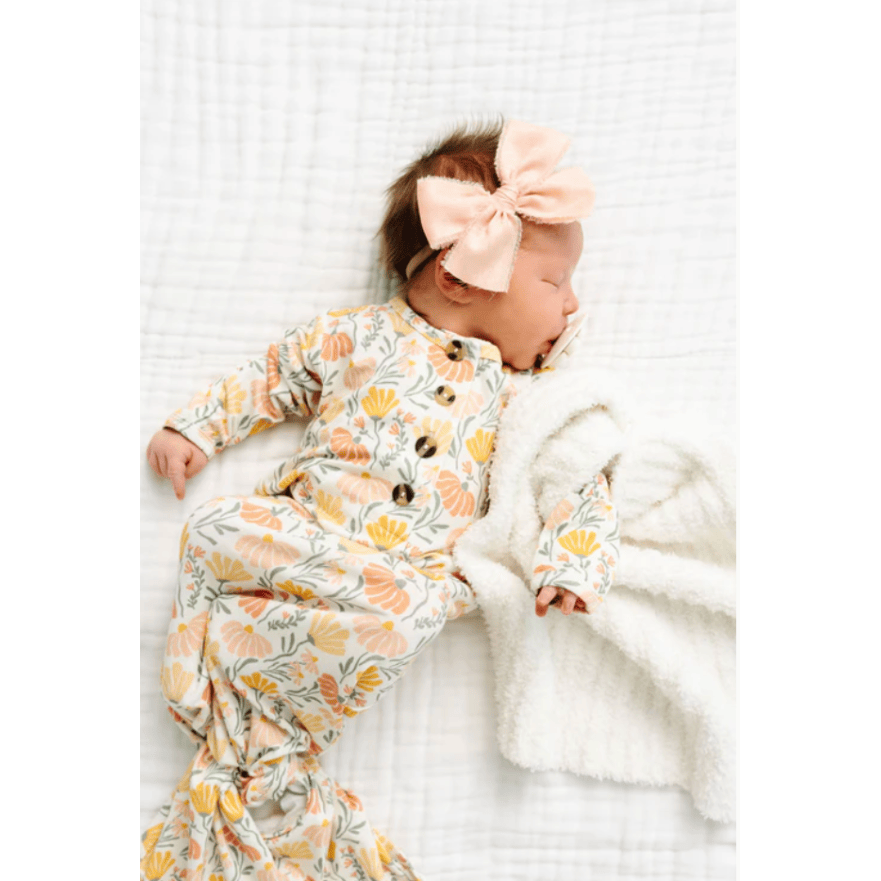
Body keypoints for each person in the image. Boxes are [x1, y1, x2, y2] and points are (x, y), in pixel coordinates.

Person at [141, 118, 620, 881]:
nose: (571, 307)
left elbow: (576, 474)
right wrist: (196, 427)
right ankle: (244, 735)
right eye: (553, 283)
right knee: (215, 527)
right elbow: (274, 375)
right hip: (303, 536)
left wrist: (572, 559)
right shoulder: (357, 338)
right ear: (460, 277)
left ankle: (261, 752)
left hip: (397, 577)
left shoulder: (525, 396)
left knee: (413, 604)